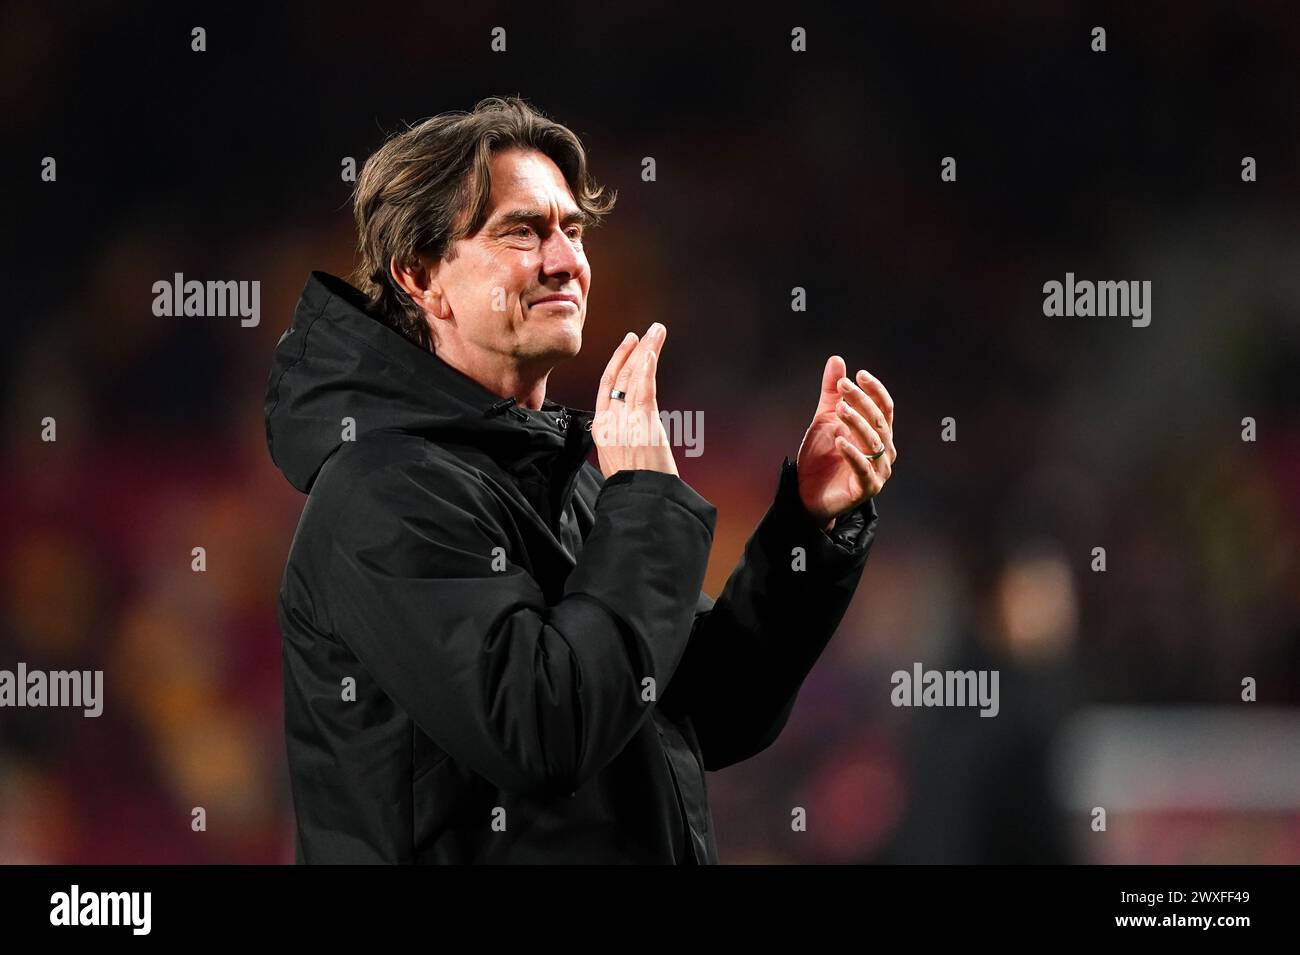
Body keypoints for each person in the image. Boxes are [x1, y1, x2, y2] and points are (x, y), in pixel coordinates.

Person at [264, 96, 897, 863]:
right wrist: (644, 497)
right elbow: (546, 730)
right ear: (421, 275)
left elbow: (708, 709)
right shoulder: (381, 492)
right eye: (523, 231)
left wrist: (806, 527)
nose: (566, 259)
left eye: (572, 229)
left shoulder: (563, 482)